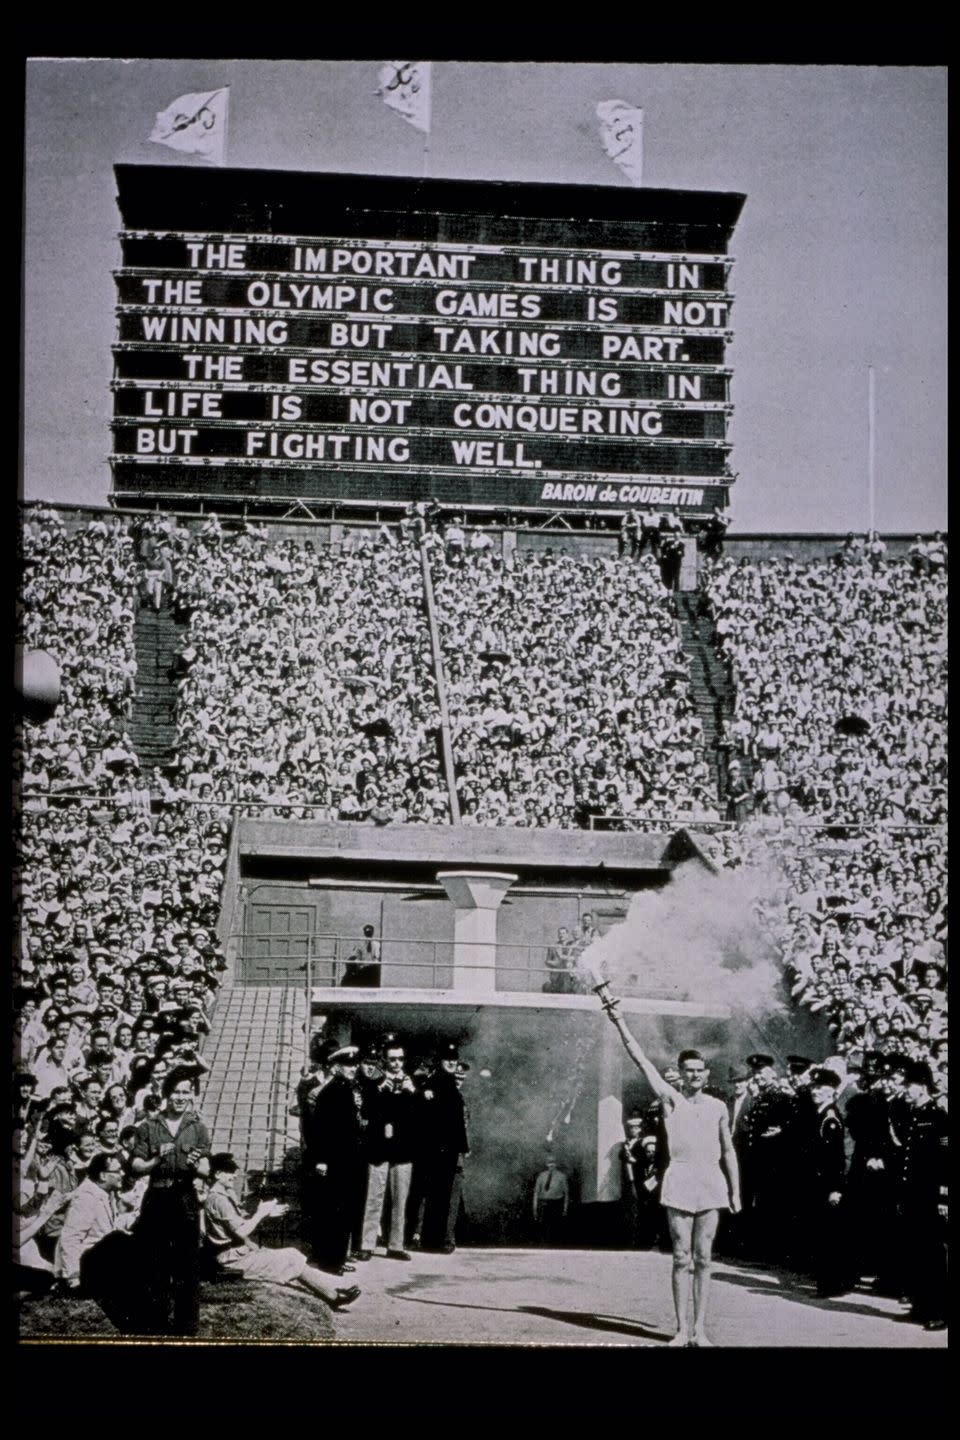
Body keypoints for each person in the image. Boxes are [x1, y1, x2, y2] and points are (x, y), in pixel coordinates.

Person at [603, 996, 740, 1347]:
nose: (694, 1076)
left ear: (706, 1074)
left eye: (699, 1071)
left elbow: (728, 1150)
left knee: (704, 1258)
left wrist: (735, 1191)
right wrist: (619, 1021)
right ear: (680, 1074)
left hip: (711, 1181)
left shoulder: (718, 1106)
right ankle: (681, 1330)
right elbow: (640, 1058)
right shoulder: (668, 1099)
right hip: (678, 1179)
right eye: (688, 1071)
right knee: (681, 1257)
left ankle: (700, 1330)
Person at [202, 1153, 360, 1309]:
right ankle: (333, 1296)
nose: (234, 1175)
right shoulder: (219, 1199)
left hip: (237, 1253)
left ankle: (332, 1293)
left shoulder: (222, 1195)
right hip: (231, 1260)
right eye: (229, 1172)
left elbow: (239, 1223)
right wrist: (260, 1214)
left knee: (292, 1255)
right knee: (291, 1257)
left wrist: (267, 1213)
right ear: (217, 1174)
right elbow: (241, 1232)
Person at [129, 1067, 211, 1335]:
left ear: (191, 1095)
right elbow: (136, 1165)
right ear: (166, 1094)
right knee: (155, 1263)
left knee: (188, 1265)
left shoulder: (197, 1127)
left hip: (185, 1198)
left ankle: (187, 1327)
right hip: (157, 1197)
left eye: (185, 1092)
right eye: (175, 1091)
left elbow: (207, 1169)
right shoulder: (148, 1127)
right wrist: (156, 1160)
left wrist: (195, 1165)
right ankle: (155, 1323)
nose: (180, 1097)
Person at [302, 1044, 365, 1275]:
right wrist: (321, 1159)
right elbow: (320, 1129)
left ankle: (337, 1257)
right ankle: (329, 1260)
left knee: (344, 1211)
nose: (353, 1068)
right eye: (347, 1065)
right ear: (336, 1067)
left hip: (347, 1160)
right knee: (333, 1211)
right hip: (334, 1161)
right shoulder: (331, 1092)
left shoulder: (346, 1089)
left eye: (354, 1065)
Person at [418, 1042, 470, 1253]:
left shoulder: (451, 1086)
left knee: (443, 1196)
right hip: (436, 1149)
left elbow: (458, 1123)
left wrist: (462, 1147)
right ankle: (431, 1240)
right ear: (440, 1062)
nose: (451, 1063)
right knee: (435, 1195)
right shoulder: (434, 1083)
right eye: (447, 1059)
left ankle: (437, 1240)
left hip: (449, 1150)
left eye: (454, 1059)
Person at [532, 1155, 570, 1245]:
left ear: (556, 1164)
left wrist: (565, 1208)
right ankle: (543, 1244)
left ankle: (555, 1245)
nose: (551, 1165)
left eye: (553, 1163)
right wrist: (535, 1207)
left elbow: (566, 1194)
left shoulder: (561, 1176)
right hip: (544, 1203)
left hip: (556, 1203)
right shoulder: (541, 1176)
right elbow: (536, 1192)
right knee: (543, 1226)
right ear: (546, 1164)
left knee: (555, 1227)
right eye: (549, 1163)